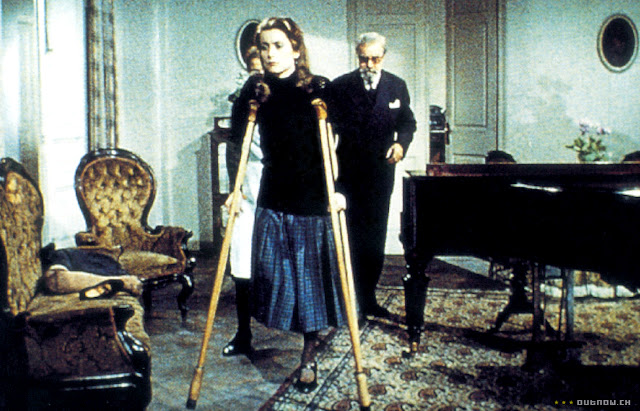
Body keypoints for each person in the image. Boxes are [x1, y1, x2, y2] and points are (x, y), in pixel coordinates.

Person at [229, 17, 346, 393]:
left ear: (296, 48)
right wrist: (234, 189)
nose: (270, 53)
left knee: (310, 286)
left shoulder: (317, 88)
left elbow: (338, 145)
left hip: (311, 201)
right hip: (272, 198)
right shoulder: (255, 90)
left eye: (278, 45)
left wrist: (339, 189)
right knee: (272, 279)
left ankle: (308, 359)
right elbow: (237, 143)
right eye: (264, 47)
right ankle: (257, 334)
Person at [330, 32, 416, 320]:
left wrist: (400, 145)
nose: (368, 64)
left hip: (380, 175)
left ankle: (368, 298)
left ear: (384, 57)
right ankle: (347, 300)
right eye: (363, 58)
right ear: (357, 56)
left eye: (375, 59)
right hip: (348, 175)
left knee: (374, 237)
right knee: (349, 236)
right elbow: (327, 128)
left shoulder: (396, 86)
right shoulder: (341, 86)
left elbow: (408, 123)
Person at [222, 46, 264, 357]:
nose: (258, 77)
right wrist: (234, 189)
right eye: (254, 70)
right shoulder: (245, 102)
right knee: (241, 255)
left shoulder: (289, 98)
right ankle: (243, 332)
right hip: (249, 186)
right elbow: (234, 145)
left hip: (282, 187)